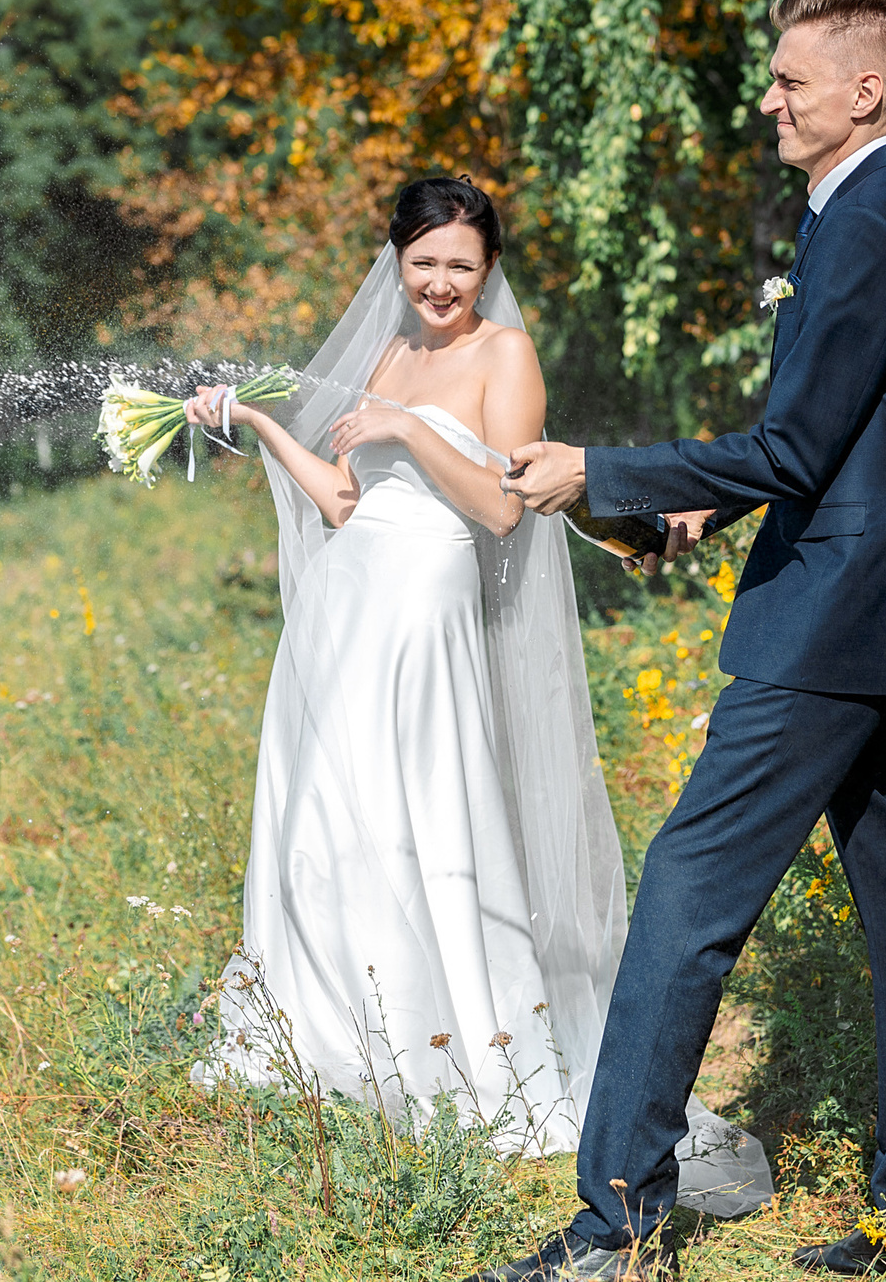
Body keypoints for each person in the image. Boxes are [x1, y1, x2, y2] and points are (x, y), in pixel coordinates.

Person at [491, 0, 886, 1278]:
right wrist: (710, 504)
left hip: (824, 624)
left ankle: (617, 1228)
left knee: (683, 901)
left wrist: (601, 472)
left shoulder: (866, 225)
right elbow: (871, 436)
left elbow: (795, 440)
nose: (768, 97)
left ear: (865, 89)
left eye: (791, 79)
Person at [184, 180, 772, 1209]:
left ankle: (457, 1045)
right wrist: (255, 425)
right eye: (423, 261)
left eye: (460, 263)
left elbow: (504, 507)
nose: (441, 281)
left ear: (487, 267)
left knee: (424, 813)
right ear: (395, 260)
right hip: (347, 602)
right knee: (329, 815)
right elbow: (336, 497)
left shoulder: (504, 355)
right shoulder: (386, 353)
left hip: (426, 603)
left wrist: (412, 433)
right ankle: (336, 1040)